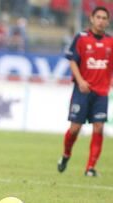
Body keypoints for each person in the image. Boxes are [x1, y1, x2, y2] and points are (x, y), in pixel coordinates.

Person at [57, 6, 112, 177]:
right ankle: (66, 155)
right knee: (75, 129)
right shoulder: (81, 38)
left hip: (101, 93)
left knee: (99, 127)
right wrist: (80, 81)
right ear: (91, 18)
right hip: (82, 91)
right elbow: (73, 60)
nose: (101, 21)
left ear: (108, 21)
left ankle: (90, 168)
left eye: (104, 18)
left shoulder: (111, 41)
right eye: (98, 17)